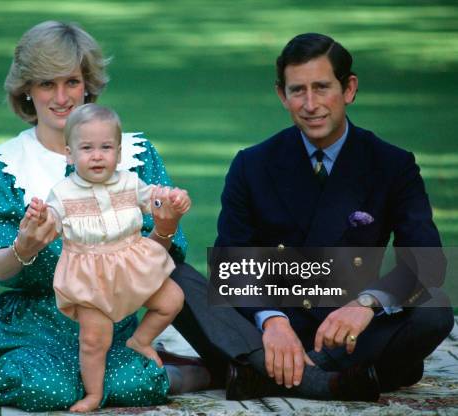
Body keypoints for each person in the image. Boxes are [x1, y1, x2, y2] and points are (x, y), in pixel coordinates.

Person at [0, 21, 209, 412]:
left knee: (134, 384)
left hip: (114, 314)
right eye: (46, 84)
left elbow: (159, 257)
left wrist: (166, 226)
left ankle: (178, 370)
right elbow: (0, 269)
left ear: (88, 83)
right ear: (26, 89)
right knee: (50, 391)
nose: (62, 98)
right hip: (36, 320)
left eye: (71, 82)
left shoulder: (131, 153)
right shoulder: (1, 165)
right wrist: (24, 247)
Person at [178, 32, 454, 402]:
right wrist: (272, 321)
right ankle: (321, 380)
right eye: (298, 91)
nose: (311, 104)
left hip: (348, 335)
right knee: (170, 271)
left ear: (349, 89)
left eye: (322, 87)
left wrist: (366, 303)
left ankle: (256, 372)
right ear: (282, 95)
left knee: (433, 311)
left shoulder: (392, 164)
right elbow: (233, 266)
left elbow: (426, 262)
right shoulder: (252, 164)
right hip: (266, 332)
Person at [24, 103, 189, 411]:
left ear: (119, 152)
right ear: (70, 154)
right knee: (94, 341)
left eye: (105, 147)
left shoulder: (128, 182)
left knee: (172, 300)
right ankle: (94, 394)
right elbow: (52, 222)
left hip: (133, 264)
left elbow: (153, 198)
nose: (97, 155)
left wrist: (171, 199)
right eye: (86, 148)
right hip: (90, 277)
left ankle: (139, 340)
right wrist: (40, 219)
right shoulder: (63, 193)